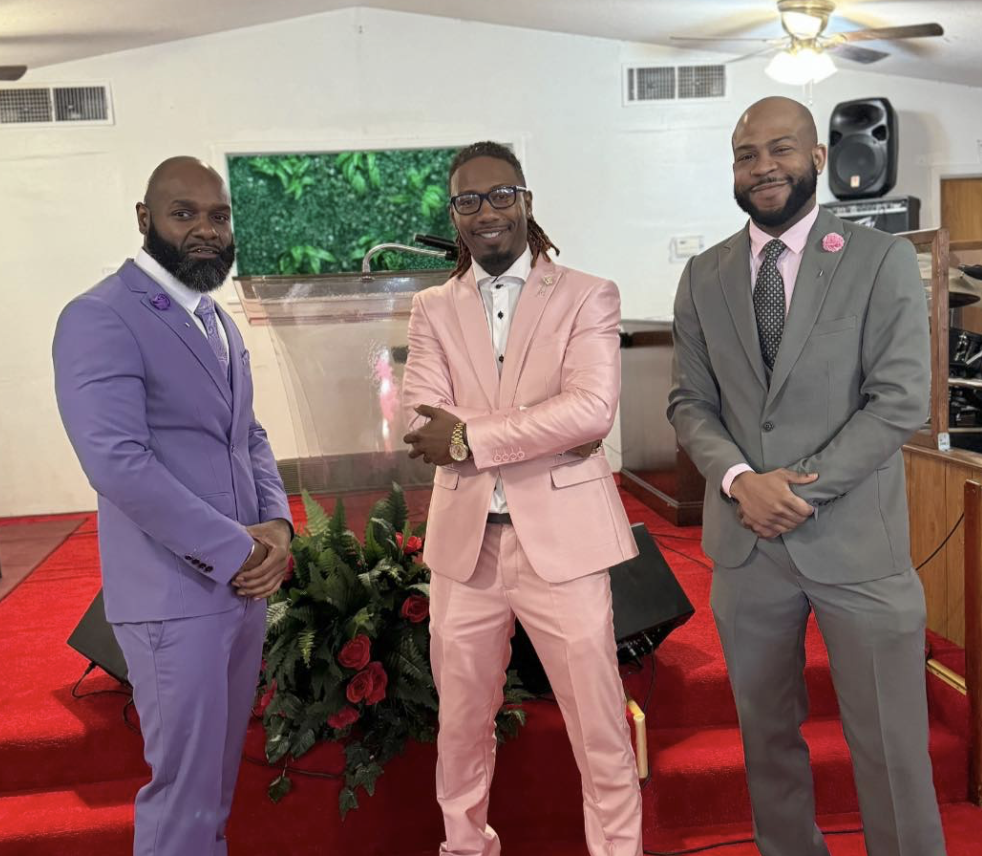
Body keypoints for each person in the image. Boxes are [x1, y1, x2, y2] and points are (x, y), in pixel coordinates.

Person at [668, 97, 946, 856]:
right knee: (766, 741)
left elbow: (899, 401)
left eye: (780, 149)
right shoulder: (703, 275)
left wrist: (795, 490)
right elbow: (689, 404)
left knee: (891, 747)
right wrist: (738, 481)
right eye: (746, 155)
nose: (763, 167)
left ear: (818, 157)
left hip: (857, 543)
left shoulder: (879, 259)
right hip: (746, 548)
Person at [402, 141, 643, 856]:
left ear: (527, 201)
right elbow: (420, 420)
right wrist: (543, 429)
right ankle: (465, 845)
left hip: (564, 544)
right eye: (469, 200)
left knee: (598, 724)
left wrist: (469, 436)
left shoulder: (588, 294)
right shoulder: (431, 308)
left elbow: (591, 411)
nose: (487, 212)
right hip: (466, 545)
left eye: (501, 195)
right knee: (460, 724)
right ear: (454, 214)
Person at [53, 156, 293, 856]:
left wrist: (278, 525)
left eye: (218, 216)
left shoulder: (214, 319)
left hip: (240, 590)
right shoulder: (101, 316)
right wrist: (236, 549)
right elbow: (117, 464)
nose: (206, 230)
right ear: (144, 219)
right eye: (183, 214)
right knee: (184, 796)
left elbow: (246, 433)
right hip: (173, 597)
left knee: (213, 791)